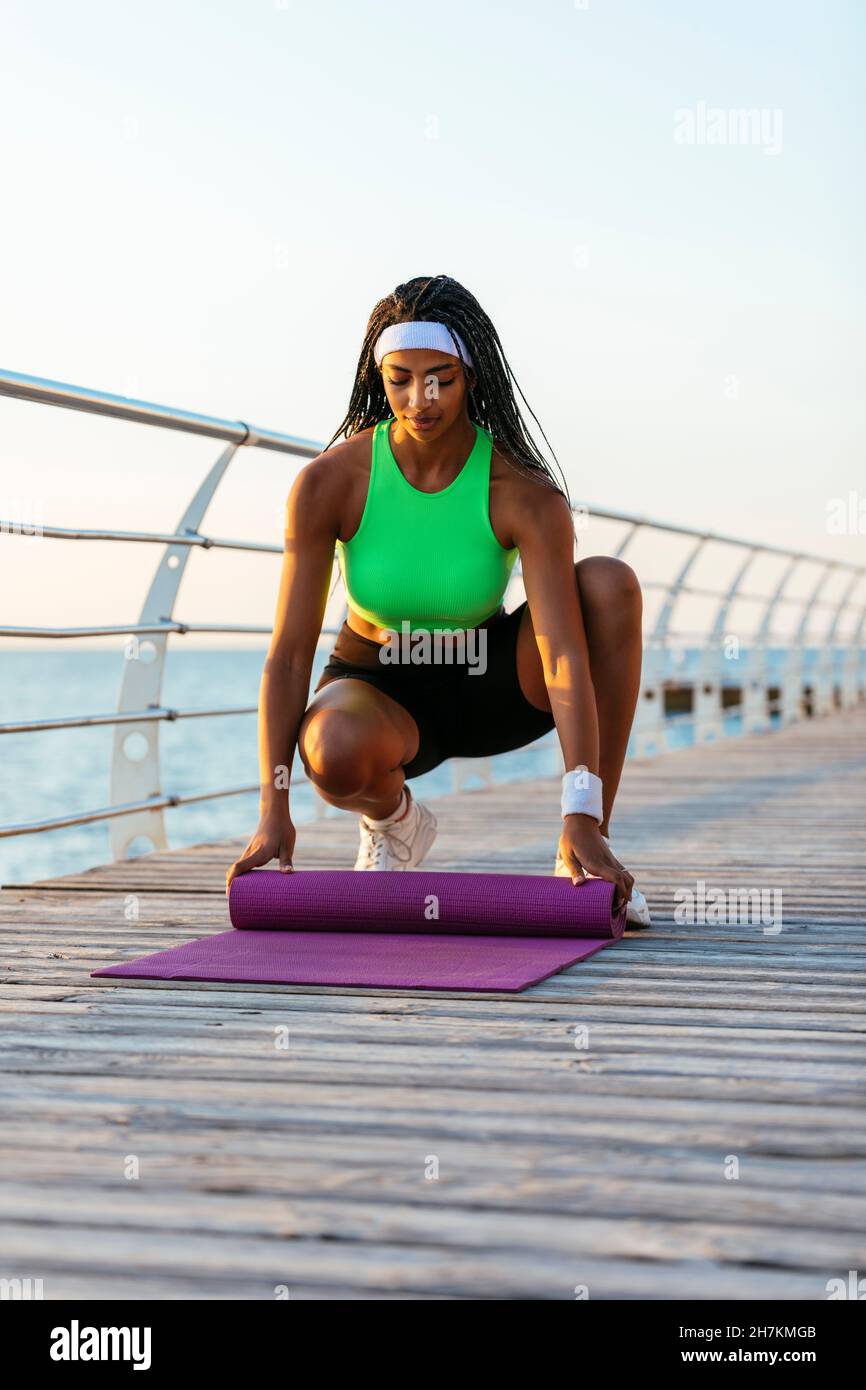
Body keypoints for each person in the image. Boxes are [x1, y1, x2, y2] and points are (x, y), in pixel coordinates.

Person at [226, 274, 650, 924]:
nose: (419, 398)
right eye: (400, 378)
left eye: (440, 379)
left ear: (472, 376)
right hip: (380, 683)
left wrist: (580, 811)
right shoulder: (329, 483)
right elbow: (287, 657)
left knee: (608, 585)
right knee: (332, 750)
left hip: (490, 682)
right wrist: (272, 809)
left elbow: (563, 655)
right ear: (378, 374)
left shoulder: (522, 491)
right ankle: (394, 824)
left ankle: (588, 848)